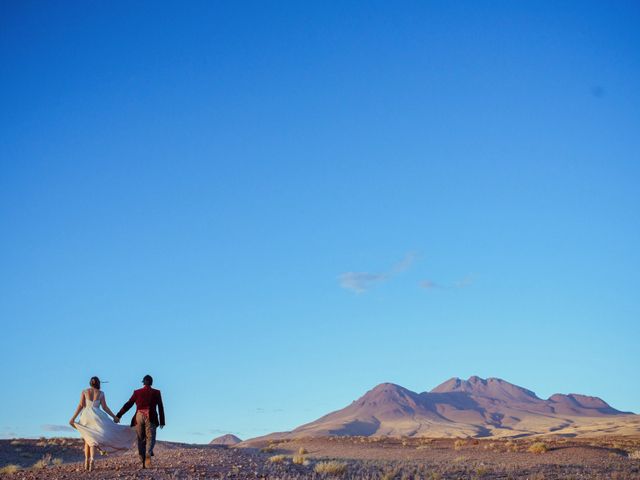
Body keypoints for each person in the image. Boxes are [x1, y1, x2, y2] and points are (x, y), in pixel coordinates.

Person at [69, 376, 136, 471]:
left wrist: (73, 418)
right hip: (97, 417)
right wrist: (114, 417)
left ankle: (86, 461)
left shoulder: (84, 391)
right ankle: (92, 460)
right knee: (93, 441)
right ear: (98, 383)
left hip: (86, 416)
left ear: (90, 383)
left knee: (87, 439)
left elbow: (80, 405)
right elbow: (105, 407)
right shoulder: (101, 393)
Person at [115, 374, 165, 469]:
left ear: (143, 383)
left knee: (140, 439)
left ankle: (142, 460)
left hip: (139, 415)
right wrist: (162, 420)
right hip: (151, 415)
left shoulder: (137, 392)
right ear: (151, 383)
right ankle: (148, 454)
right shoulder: (156, 392)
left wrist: (119, 415)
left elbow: (128, 404)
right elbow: (160, 407)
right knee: (151, 437)